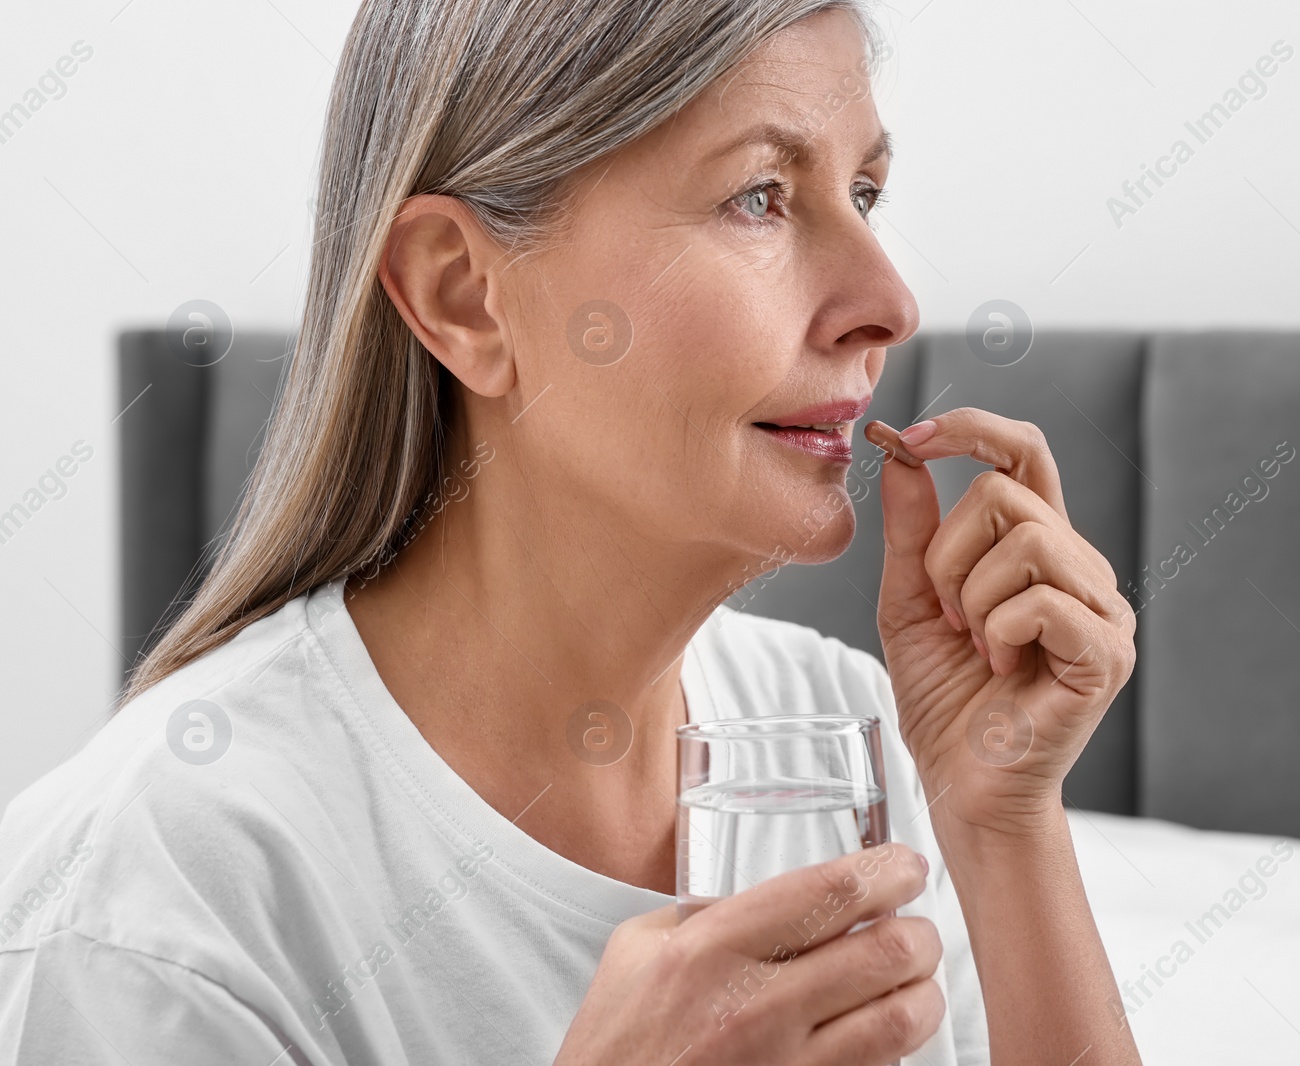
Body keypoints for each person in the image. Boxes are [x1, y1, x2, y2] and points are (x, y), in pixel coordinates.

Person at [0, 1, 1140, 1063]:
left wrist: (1003, 826)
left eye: (867, 194)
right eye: (760, 196)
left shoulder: (850, 737)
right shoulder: (153, 901)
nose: (888, 299)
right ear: (461, 294)